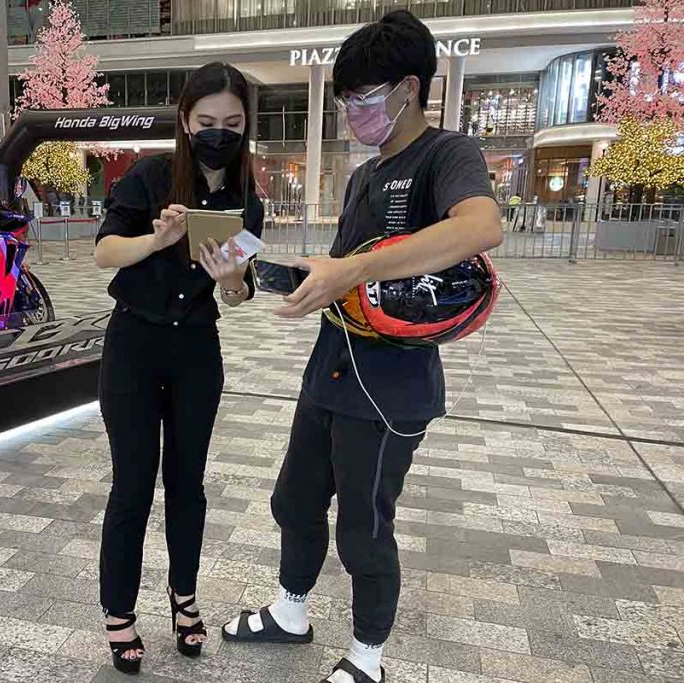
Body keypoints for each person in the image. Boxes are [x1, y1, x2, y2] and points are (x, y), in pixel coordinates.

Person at [221, 12, 503, 683]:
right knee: (294, 501)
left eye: (364, 97)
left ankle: (367, 657)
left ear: (410, 88)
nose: (353, 112)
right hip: (330, 370)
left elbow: (481, 226)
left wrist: (355, 267)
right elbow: (341, 275)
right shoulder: (362, 176)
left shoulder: (446, 155)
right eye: (345, 99)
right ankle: (290, 612)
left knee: (363, 527)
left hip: (390, 388)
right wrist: (241, 274)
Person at [93, 62, 264, 675]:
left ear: (245, 126)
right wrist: (157, 241)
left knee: (187, 485)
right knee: (132, 484)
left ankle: (184, 598)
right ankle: (119, 611)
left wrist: (233, 279)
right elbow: (104, 251)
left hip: (196, 350)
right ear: (187, 122)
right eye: (207, 121)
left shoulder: (246, 200)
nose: (220, 133)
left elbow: (240, 294)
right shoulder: (151, 175)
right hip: (134, 346)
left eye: (233, 123)